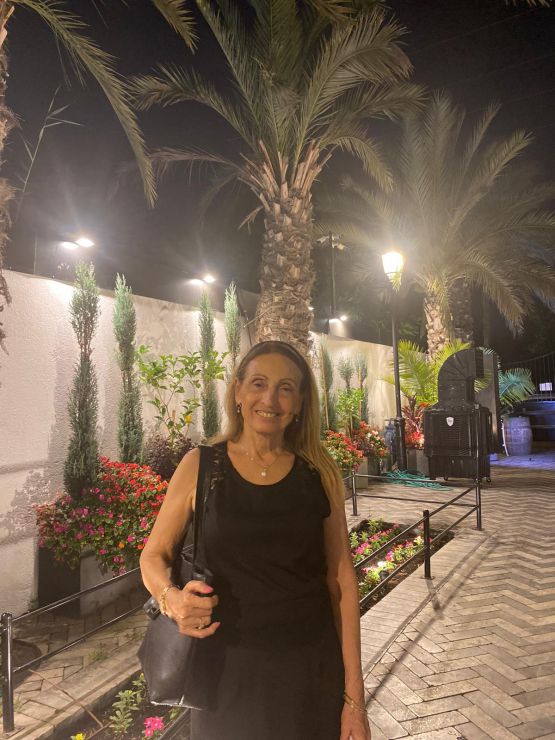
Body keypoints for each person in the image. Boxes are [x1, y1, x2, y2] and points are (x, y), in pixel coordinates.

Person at [140, 340, 371, 740]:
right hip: (224, 676)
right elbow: (153, 555)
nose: (270, 399)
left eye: (286, 388)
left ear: (300, 403)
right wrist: (170, 599)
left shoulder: (318, 473)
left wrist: (354, 698)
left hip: (310, 672)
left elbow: (342, 582)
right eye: (259, 383)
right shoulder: (201, 466)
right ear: (238, 392)